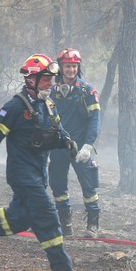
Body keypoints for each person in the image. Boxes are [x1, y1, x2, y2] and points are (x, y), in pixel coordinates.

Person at [0, 54, 90, 271]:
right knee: (48, 216)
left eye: (51, 79)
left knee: (18, 219)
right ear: (31, 79)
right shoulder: (16, 106)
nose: (50, 83)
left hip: (39, 174)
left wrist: (66, 142)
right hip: (22, 175)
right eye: (46, 79)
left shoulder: (47, 105)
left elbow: (58, 130)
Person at [48, 48, 103, 237]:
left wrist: (88, 145)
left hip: (80, 147)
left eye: (73, 66)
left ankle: (92, 225)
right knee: (58, 186)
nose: (70, 70)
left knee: (89, 185)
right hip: (58, 146)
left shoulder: (87, 91)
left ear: (78, 67)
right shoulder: (52, 92)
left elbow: (96, 119)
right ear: (60, 68)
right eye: (67, 66)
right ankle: (65, 224)